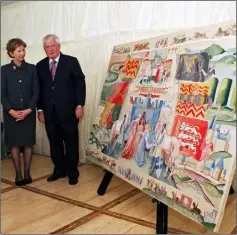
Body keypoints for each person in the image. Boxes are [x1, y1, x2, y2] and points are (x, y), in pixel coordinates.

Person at [36, 34, 86, 185]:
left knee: (71, 142)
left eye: (53, 46)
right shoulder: (40, 65)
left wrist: (80, 105)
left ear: (59, 46)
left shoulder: (71, 61)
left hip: (69, 111)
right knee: (54, 142)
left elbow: (80, 84)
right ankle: (59, 170)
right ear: (44, 49)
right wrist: (40, 110)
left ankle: (72, 172)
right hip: (49, 113)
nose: (50, 49)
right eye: (47, 47)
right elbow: (38, 89)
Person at [1, 38, 39, 185]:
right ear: (11, 53)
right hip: (11, 114)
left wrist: (29, 110)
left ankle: (27, 173)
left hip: (28, 113)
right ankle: (18, 174)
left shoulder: (32, 68)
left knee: (28, 143)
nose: (22, 53)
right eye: (19, 51)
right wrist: (10, 111)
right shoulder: (3, 70)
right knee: (15, 144)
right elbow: (2, 93)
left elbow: (36, 92)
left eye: (23, 50)